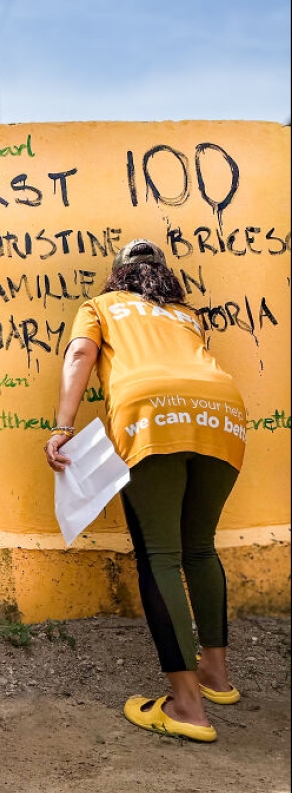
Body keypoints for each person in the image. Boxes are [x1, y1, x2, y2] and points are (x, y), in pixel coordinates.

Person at [45, 239, 246, 743]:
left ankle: (186, 707)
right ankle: (216, 678)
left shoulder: (101, 306)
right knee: (200, 548)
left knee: (160, 555)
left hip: (151, 416)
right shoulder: (186, 315)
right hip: (223, 414)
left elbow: (80, 355)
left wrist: (63, 428)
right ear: (164, 278)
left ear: (119, 277)